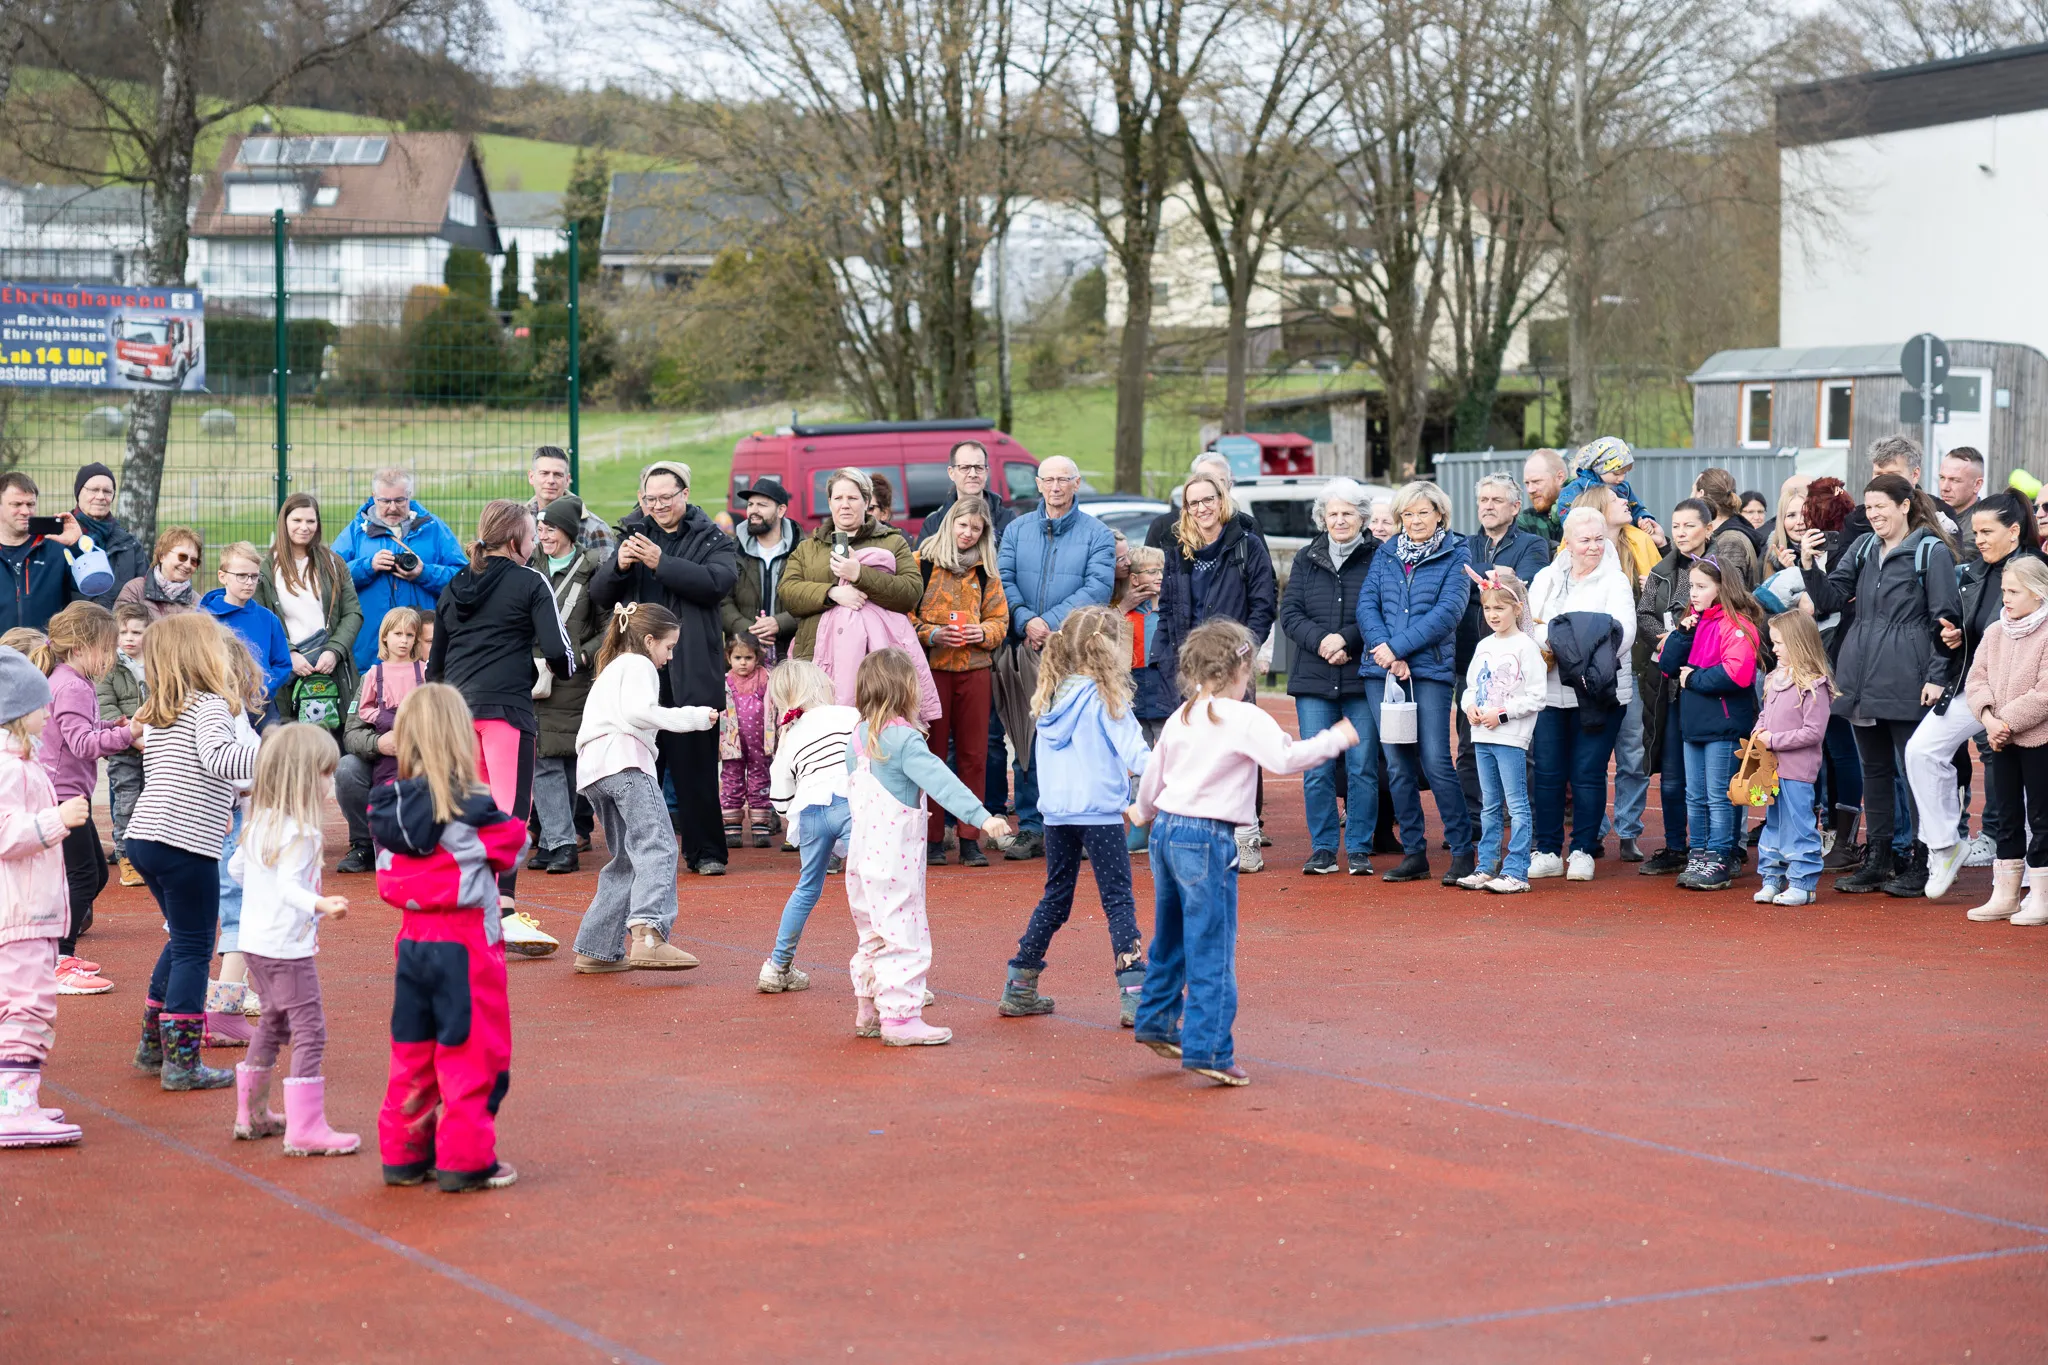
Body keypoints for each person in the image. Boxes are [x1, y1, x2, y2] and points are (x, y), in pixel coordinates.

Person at [1130, 619, 1357, 1087]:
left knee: (1170, 933)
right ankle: (1210, 1047)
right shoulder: (1244, 716)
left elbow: (1156, 769)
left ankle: (1155, 1017)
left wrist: (1142, 809)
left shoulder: (1185, 713)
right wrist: (1336, 738)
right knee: (1212, 944)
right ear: (1244, 666)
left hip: (1166, 830)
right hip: (1207, 837)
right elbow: (1284, 759)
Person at [370, 683, 524, 1194]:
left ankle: (403, 1154)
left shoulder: (386, 808)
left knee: (412, 1050)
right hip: (466, 946)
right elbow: (513, 847)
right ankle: (466, 1159)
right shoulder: (473, 808)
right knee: (471, 1051)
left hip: (412, 942)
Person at [1803, 473, 1963, 896]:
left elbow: (1946, 619)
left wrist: (1936, 676)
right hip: (1860, 673)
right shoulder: (1863, 547)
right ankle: (1880, 856)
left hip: (1907, 676)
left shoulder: (1930, 551)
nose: (1873, 514)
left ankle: (1924, 858)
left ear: (1905, 505)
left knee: (1914, 773)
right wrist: (1808, 567)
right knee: (1874, 770)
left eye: (1880, 506)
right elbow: (1830, 600)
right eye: (1869, 507)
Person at [843, 649, 1011, 1047]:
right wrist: (982, 816)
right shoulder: (904, 739)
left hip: (862, 859)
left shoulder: (857, 737)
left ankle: (869, 1008)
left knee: (873, 934)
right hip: (895, 860)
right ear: (907, 689)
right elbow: (942, 782)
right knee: (905, 934)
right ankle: (900, 1018)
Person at [427, 500, 574, 955]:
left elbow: (434, 669)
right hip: (507, 711)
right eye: (532, 537)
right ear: (516, 542)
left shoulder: (453, 585)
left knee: (473, 811)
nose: (535, 545)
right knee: (511, 812)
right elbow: (559, 654)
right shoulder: (531, 581)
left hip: (457, 714)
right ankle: (504, 911)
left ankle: (473, 908)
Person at [999, 607, 1151, 1026]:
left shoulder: (1050, 696)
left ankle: (1020, 982)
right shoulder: (1107, 699)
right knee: (1118, 899)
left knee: (1056, 896)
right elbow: (1139, 757)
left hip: (1057, 814)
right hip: (1100, 813)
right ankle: (1135, 991)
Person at [126, 613, 256, 1093]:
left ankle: (153, 1045)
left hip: (146, 838)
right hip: (185, 845)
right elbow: (220, 759)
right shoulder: (209, 706)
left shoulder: (162, 709)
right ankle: (181, 1061)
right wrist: (277, 755)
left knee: (182, 939)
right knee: (196, 948)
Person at [591, 462, 741, 878]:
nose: (657, 506)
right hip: (639, 671)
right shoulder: (632, 534)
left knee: (696, 768)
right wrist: (618, 566)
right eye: (649, 499)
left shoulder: (713, 537)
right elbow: (600, 596)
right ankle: (639, 857)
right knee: (639, 769)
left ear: (685, 494)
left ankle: (706, 851)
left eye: (665, 498)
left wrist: (661, 563)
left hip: (693, 666)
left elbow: (716, 584)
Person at [228, 723, 358, 1155]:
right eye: (326, 774)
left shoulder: (261, 822)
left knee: (273, 1021)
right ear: (305, 778)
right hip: (285, 946)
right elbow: (288, 888)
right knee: (310, 1031)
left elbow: (237, 873)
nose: (331, 782)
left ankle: (252, 1113)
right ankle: (305, 1127)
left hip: (255, 943)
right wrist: (321, 904)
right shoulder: (301, 833)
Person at [571, 603, 719, 974]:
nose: (668, 658)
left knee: (625, 859)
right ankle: (649, 934)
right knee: (659, 844)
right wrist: (694, 718)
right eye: (668, 648)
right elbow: (639, 712)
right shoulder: (638, 664)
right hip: (626, 762)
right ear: (649, 640)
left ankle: (596, 947)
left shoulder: (611, 668)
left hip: (594, 770)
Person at [1914, 492, 2045, 899]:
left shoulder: (2035, 573)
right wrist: (1951, 639)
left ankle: (2027, 881)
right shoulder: (1972, 573)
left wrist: (2006, 718)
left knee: (2025, 789)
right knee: (1921, 751)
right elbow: (1975, 641)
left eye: (1987, 532)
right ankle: (1945, 845)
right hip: (1978, 691)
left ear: (2013, 531)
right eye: (1976, 532)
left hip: (2025, 701)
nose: (1979, 539)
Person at [996, 456, 1118, 860]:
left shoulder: (1097, 534)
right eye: (1047, 479)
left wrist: (1046, 623)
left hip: (1075, 655)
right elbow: (1003, 580)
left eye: (1063, 479)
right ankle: (1031, 825)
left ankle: (1077, 826)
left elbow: (1097, 586)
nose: (1055, 487)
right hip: (1025, 651)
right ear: (1038, 483)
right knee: (1027, 736)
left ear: (1077, 483)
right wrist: (1025, 620)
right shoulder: (1015, 530)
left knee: (1077, 738)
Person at [1156, 469, 1278, 870]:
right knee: (1196, 752)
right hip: (1189, 668)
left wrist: (1242, 653)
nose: (1202, 508)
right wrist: (1169, 660)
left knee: (1239, 752)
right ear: (1186, 509)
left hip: (1233, 666)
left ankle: (1246, 838)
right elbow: (1169, 611)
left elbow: (1264, 605)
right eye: (1193, 503)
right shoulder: (1178, 552)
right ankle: (1206, 836)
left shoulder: (1247, 546)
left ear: (1221, 500)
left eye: (1208, 500)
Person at [1357, 480, 1474, 885]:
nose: (1415, 520)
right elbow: (1366, 605)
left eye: (1423, 512)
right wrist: (1385, 652)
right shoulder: (1386, 553)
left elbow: (1448, 612)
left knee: (1436, 761)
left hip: (1430, 673)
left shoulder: (1457, 553)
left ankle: (1462, 851)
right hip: (1381, 673)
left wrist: (1400, 650)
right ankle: (1413, 854)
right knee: (1398, 765)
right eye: (1407, 514)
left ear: (1440, 513)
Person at [0, 646, 91, 1149]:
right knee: (27, 1005)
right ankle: (14, 1107)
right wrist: (58, 821)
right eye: (40, 705)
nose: (50, 711)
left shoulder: (22, 763)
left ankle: (18, 1100)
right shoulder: (10, 769)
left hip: (27, 908)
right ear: (16, 712)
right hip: (20, 912)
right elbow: (5, 833)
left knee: (20, 1003)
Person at [30, 602, 135, 996]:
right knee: (83, 875)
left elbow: (81, 727)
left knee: (95, 872)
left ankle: (52, 950)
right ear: (80, 648)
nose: (112, 657)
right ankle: (60, 957)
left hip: (67, 793)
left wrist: (114, 724)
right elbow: (82, 743)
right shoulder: (72, 683)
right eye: (106, 648)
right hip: (61, 796)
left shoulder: (69, 679)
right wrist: (128, 736)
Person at [1527, 507, 1637, 882]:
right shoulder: (1546, 577)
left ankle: (1583, 850)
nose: (1593, 547)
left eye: (1598, 539)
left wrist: (1561, 641)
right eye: (1584, 540)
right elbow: (1529, 626)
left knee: (1588, 772)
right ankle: (1546, 850)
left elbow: (1623, 635)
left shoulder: (1616, 581)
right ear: (1568, 543)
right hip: (1549, 693)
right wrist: (1575, 638)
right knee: (1548, 773)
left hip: (1599, 694)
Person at [1280, 477, 1379, 875]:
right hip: (1314, 679)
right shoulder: (1305, 557)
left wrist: (1347, 641)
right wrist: (1323, 641)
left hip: (1361, 676)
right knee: (1317, 767)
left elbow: (1381, 609)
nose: (1339, 520)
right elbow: (1289, 614)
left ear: (1362, 517)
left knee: (1362, 766)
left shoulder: (1379, 557)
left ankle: (1358, 847)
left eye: (1347, 513)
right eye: (1333, 513)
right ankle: (1322, 848)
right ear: (1323, 518)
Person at [914, 496, 1009, 866]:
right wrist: (933, 634)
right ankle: (934, 838)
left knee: (975, 754)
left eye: (976, 528)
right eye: (963, 525)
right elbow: (903, 616)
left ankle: (970, 837)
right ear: (950, 523)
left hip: (975, 670)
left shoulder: (987, 572)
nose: (968, 534)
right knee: (932, 755)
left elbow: (1000, 622)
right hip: (932, 671)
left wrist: (979, 632)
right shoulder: (922, 563)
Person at [1660, 557, 1764, 892]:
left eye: (1702, 586)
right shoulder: (1696, 623)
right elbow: (1667, 666)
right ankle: (1700, 851)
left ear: (1722, 588)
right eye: (1691, 586)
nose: (1694, 593)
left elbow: (1738, 672)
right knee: (1695, 795)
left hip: (1723, 725)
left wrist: (1694, 679)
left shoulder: (1736, 625)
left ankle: (1719, 855)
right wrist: (1680, 633)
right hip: (1694, 725)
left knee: (1719, 795)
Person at [1453, 474, 1552, 823]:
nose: (1488, 506)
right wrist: (1493, 574)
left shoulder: (1533, 544)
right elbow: (1457, 588)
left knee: (1519, 746)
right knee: (1468, 743)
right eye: (1483, 500)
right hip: (1471, 658)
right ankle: (1473, 816)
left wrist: (1478, 579)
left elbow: (1518, 589)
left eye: (1496, 500)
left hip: (1514, 661)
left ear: (1515, 507)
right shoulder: (1463, 545)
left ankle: (1520, 815)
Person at [761, 659, 858, 993]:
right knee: (873, 887)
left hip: (811, 813)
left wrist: (792, 813)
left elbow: (780, 793)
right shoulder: (848, 715)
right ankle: (891, 974)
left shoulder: (789, 735)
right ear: (819, 687)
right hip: (849, 801)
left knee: (806, 888)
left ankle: (778, 966)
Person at [1575, 484, 1659, 860]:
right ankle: (1594, 827)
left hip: (1634, 663)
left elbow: (1669, 594)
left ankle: (1628, 830)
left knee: (1632, 749)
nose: (1627, 501)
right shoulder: (1569, 551)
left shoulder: (1639, 542)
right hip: (1587, 670)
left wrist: (1649, 592)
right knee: (1587, 753)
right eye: (1616, 499)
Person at [1963, 555, 2048, 925]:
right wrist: (1986, 718)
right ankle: (2006, 893)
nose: (2006, 598)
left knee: (2042, 817)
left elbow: (2045, 693)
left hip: (2037, 739)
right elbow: (1976, 679)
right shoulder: (1996, 632)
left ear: (2038, 593)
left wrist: (2004, 722)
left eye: (2014, 591)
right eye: (2004, 590)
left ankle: (2042, 896)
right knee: (2006, 814)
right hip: (2001, 738)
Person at [1637, 500, 1714, 876]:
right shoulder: (1660, 572)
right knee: (1671, 777)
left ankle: (1718, 849)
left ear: (1708, 529)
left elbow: (1733, 614)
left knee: (1712, 777)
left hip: (1709, 685)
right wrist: (1666, 640)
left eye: (1689, 526)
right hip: (1668, 684)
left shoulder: (1721, 570)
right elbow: (1644, 614)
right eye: (1676, 526)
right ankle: (1674, 846)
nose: (1682, 533)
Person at [526, 496, 602, 876]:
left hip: (574, 680)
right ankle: (559, 842)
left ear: (568, 532)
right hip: (532, 676)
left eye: (550, 528)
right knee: (544, 759)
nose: (543, 535)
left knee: (568, 762)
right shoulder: (529, 564)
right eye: (540, 529)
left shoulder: (593, 570)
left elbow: (609, 627)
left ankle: (561, 840)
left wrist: (584, 657)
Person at [1458, 572, 1547, 893]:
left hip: (1510, 738)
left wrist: (1503, 714)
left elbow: (1537, 696)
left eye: (1500, 608)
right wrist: (1470, 706)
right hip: (1482, 736)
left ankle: (1516, 871)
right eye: (1487, 609)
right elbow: (1470, 688)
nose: (1493, 615)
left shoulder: (1526, 647)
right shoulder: (1483, 645)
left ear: (1517, 608)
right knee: (1490, 806)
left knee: (1517, 805)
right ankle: (1486, 867)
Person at [333, 468, 467, 675]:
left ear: (409, 496)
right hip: (369, 649)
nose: (392, 508)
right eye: (385, 501)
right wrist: (368, 567)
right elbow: (331, 577)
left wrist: (424, 573)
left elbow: (462, 578)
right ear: (373, 498)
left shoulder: (433, 528)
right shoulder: (356, 532)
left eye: (399, 501)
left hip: (422, 647)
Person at [256, 494, 362, 734]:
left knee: (331, 747)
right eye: (297, 520)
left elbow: (353, 612)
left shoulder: (334, 563)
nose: (304, 527)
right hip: (287, 674)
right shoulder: (266, 568)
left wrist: (335, 650)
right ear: (284, 522)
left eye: (311, 521)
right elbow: (261, 621)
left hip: (330, 672)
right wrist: (288, 653)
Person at [1751, 611, 1835, 907]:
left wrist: (1773, 741)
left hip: (1797, 772)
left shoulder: (1813, 684)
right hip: (1770, 771)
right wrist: (1758, 731)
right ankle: (1772, 879)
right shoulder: (1774, 678)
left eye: (1780, 643)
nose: (1773, 649)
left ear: (1798, 643)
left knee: (1799, 826)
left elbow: (1813, 732)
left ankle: (1803, 882)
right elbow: (1765, 715)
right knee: (1772, 824)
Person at [334, 609, 426, 873]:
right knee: (348, 768)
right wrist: (378, 743)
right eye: (398, 634)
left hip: (419, 755)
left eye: (410, 635)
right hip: (382, 758)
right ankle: (365, 843)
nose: (404, 641)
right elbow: (352, 733)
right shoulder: (372, 676)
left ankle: (422, 838)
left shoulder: (427, 672)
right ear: (385, 637)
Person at [202, 542, 294, 723]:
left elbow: (282, 664)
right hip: (218, 705)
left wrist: (263, 689)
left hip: (261, 706)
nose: (249, 582)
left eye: (254, 576)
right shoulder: (205, 618)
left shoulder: (268, 619)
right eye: (242, 576)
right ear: (222, 576)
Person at [722, 476, 800, 662]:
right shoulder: (731, 551)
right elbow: (722, 601)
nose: (753, 511)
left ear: (781, 510)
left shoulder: (802, 551)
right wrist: (749, 631)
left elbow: (812, 602)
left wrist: (779, 623)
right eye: (750, 504)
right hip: (743, 659)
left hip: (791, 655)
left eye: (762, 505)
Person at [99, 603, 149, 886]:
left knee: (152, 801)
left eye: (137, 632)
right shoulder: (109, 666)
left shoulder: (157, 663)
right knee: (127, 802)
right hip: (124, 750)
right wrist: (133, 734)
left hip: (155, 747)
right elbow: (106, 708)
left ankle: (149, 854)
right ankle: (126, 857)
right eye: (123, 632)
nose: (129, 638)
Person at [0, 473, 82, 634]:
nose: (25, 511)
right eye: (16, 504)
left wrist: (77, 546)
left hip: (46, 653)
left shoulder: (57, 550)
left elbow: (92, 592)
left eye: (30, 504)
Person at [720, 634, 777, 848]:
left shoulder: (765, 679)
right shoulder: (725, 681)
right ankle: (732, 825)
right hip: (731, 743)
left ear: (757, 657)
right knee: (731, 779)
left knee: (760, 779)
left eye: (748, 657)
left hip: (760, 743)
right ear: (729, 658)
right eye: (737, 657)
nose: (743, 662)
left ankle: (760, 824)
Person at [1143, 454, 1261, 552]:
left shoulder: (1248, 527)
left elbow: (1265, 577)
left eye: (1219, 483)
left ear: (1229, 486)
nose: (1212, 489)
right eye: (1205, 481)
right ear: (1192, 482)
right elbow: (1147, 571)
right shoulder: (1163, 527)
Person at [67, 463, 144, 607]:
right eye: (94, 490)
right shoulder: (59, 538)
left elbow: (142, 591)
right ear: (78, 493)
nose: (101, 496)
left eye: (107, 491)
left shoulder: (129, 544)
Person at [919, 440, 1018, 545]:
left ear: (986, 472)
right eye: (965, 468)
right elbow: (921, 559)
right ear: (951, 473)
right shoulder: (934, 523)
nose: (972, 474)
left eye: (979, 468)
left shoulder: (1008, 520)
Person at [524, 446, 613, 557]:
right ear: (531, 477)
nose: (551, 480)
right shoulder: (518, 523)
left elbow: (607, 573)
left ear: (567, 480)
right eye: (544, 473)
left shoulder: (594, 528)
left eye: (558, 475)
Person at [1555, 437, 1655, 533]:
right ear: (1599, 468)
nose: (1622, 478)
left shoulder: (1623, 488)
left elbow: (1637, 508)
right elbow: (1567, 517)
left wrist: (1644, 520)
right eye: (1616, 473)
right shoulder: (1578, 488)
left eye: (1625, 473)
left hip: (1624, 539)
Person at [1693, 469, 1766, 590]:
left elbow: (1730, 595)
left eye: (1692, 492)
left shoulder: (1730, 542)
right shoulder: (1722, 536)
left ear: (1700, 494)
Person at [117, 527, 204, 622]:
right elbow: (124, 631)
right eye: (182, 557)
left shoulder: (197, 601)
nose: (188, 565)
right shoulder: (135, 590)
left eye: (194, 561)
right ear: (162, 556)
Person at [1518, 449, 1568, 545]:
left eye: (1536, 481)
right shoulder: (1525, 520)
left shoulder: (1584, 511)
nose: (1530, 490)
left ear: (1560, 478)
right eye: (1527, 483)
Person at [1938, 447, 1987, 545]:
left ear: (1977, 485)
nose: (1944, 487)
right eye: (1942, 478)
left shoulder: (1983, 526)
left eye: (1955, 480)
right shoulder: (1932, 513)